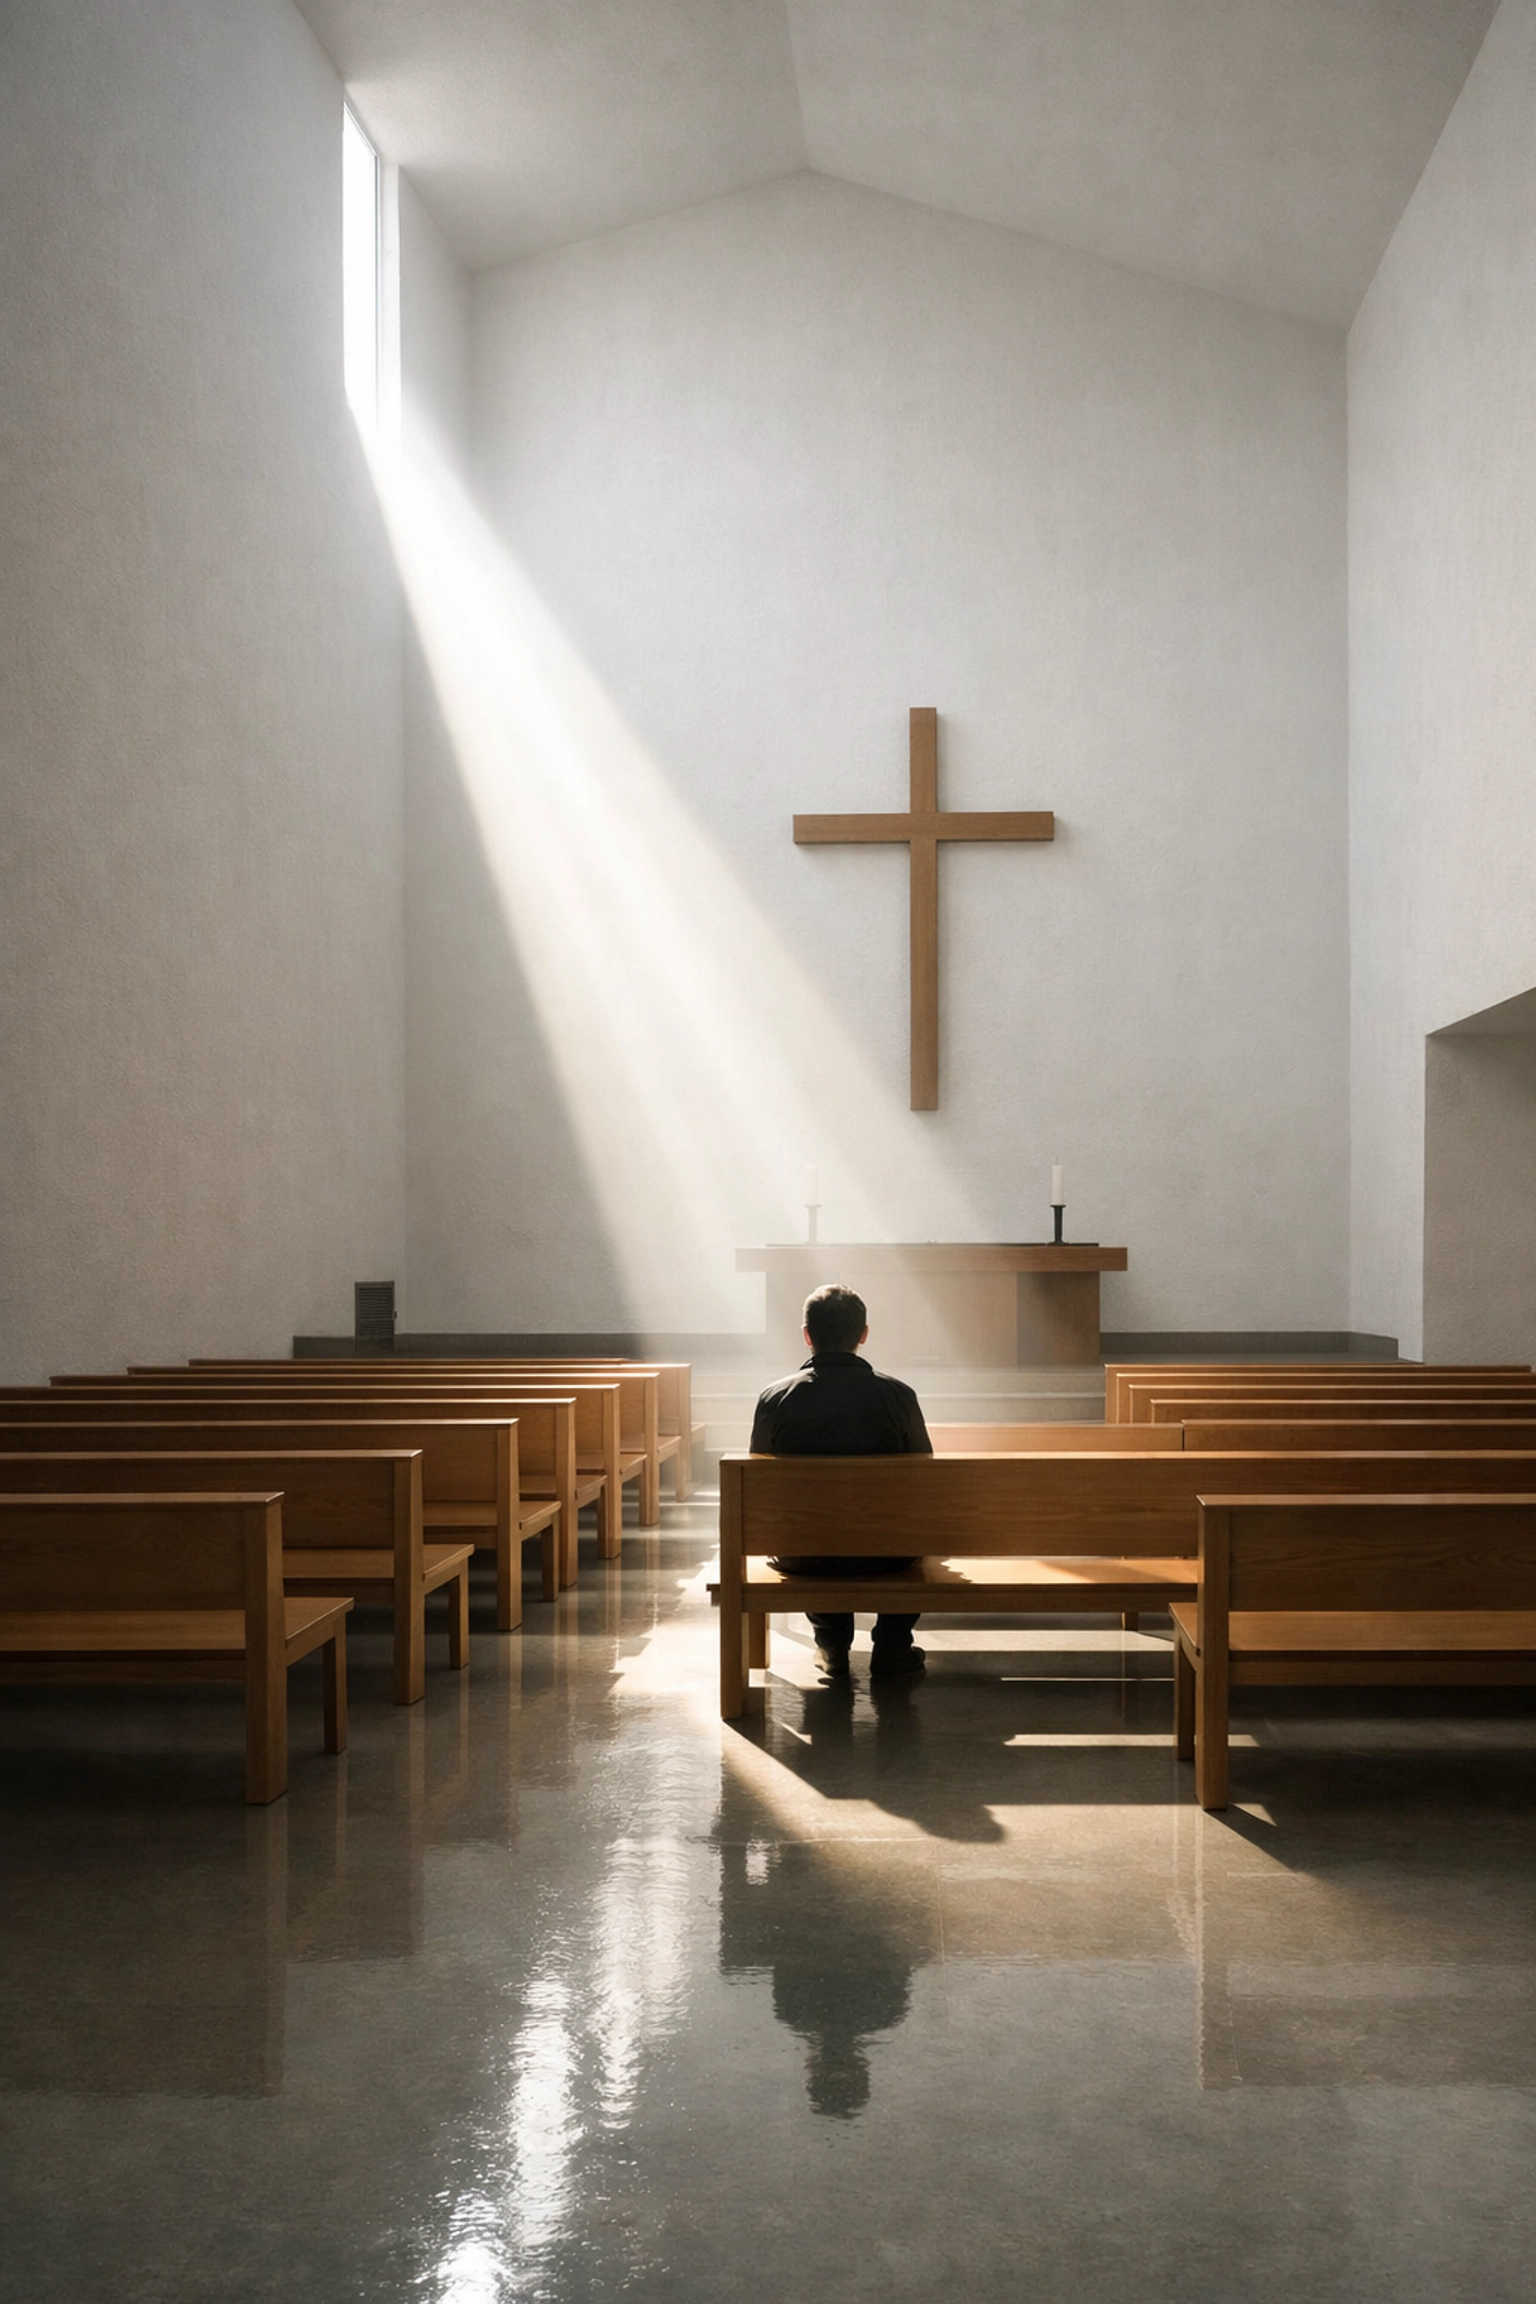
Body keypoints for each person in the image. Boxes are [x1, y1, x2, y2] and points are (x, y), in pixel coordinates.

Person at [749, 1283, 931, 1678]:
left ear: (807, 1335)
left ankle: (831, 1644)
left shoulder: (775, 1398)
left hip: (805, 1551)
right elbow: (924, 1478)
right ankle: (893, 1643)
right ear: (863, 1334)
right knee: (912, 1528)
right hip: (888, 1554)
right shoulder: (898, 1396)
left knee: (810, 1524)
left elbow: (759, 1487)